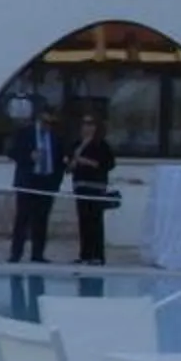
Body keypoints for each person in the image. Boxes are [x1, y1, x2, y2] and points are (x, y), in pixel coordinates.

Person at [6, 101, 66, 265]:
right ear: (40, 118)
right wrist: (28, 156)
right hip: (28, 181)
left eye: (51, 123)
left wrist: (56, 183)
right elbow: (11, 152)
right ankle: (16, 253)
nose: (48, 126)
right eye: (46, 122)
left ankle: (38, 254)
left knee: (42, 219)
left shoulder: (56, 137)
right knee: (22, 218)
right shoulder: (25, 133)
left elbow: (60, 162)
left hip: (46, 182)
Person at [69, 109, 117, 266]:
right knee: (83, 221)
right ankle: (85, 254)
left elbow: (108, 164)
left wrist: (88, 162)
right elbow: (70, 163)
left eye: (90, 124)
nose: (87, 127)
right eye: (84, 124)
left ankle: (97, 255)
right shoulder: (77, 144)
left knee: (95, 221)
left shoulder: (101, 145)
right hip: (80, 187)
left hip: (95, 187)